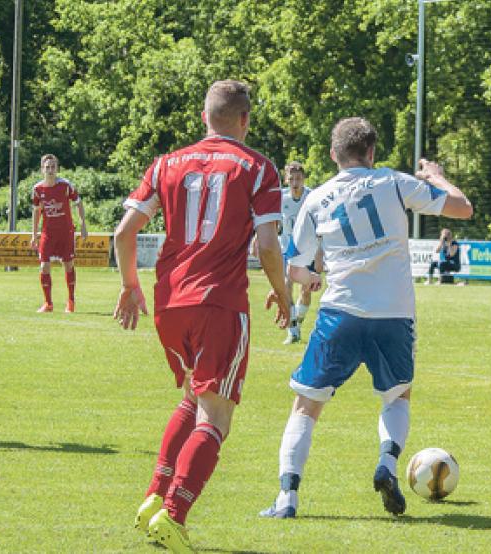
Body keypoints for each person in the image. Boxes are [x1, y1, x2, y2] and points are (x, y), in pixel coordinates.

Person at [258, 117, 472, 519]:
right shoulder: (394, 182)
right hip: (393, 314)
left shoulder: (317, 198)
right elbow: (463, 208)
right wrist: (437, 177)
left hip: (340, 312)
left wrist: (312, 278)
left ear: (332, 155)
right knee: (396, 396)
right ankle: (386, 465)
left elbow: (294, 269)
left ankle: (287, 498)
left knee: (306, 406)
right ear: (372, 152)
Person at [113, 79, 292, 554]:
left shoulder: (166, 163)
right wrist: (284, 293)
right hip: (219, 302)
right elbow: (267, 245)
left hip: (170, 303)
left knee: (195, 396)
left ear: (203, 117)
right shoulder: (257, 167)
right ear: (245, 120)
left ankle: (154, 498)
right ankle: (174, 515)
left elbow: (125, 231)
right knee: (217, 414)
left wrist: (131, 286)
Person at [31, 154, 88, 313]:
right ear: (42, 169)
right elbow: (36, 212)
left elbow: (78, 203)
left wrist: (83, 224)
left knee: (68, 264)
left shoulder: (65, 185)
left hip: (66, 232)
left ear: (57, 169)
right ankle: (48, 303)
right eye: (47, 167)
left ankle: (70, 301)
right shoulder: (37, 189)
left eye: (53, 167)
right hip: (47, 233)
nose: (50, 170)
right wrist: (33, 234)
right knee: (44, 266)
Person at [279, 161, 315, 345]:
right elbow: (274, 222)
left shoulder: (311, 197)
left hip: (307, 248)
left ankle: (297, 322)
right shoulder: (281, 198)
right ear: (286, 180)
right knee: (286, 286)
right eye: (291, 179)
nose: (295, 182)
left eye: (298, 178)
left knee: (306, 291)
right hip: (287, 249)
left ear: (304, 179)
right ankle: (292, 331)